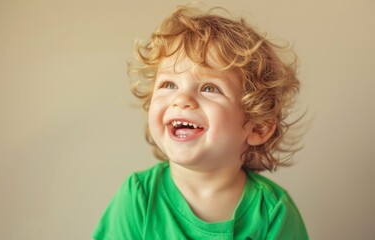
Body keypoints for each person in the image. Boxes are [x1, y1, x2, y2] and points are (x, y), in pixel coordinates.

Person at [93, 4, 308, 240]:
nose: (181, 99)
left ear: (258, 126)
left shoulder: (273, 212)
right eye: (169, 85)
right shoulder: (139, 197)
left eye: (209, 88)